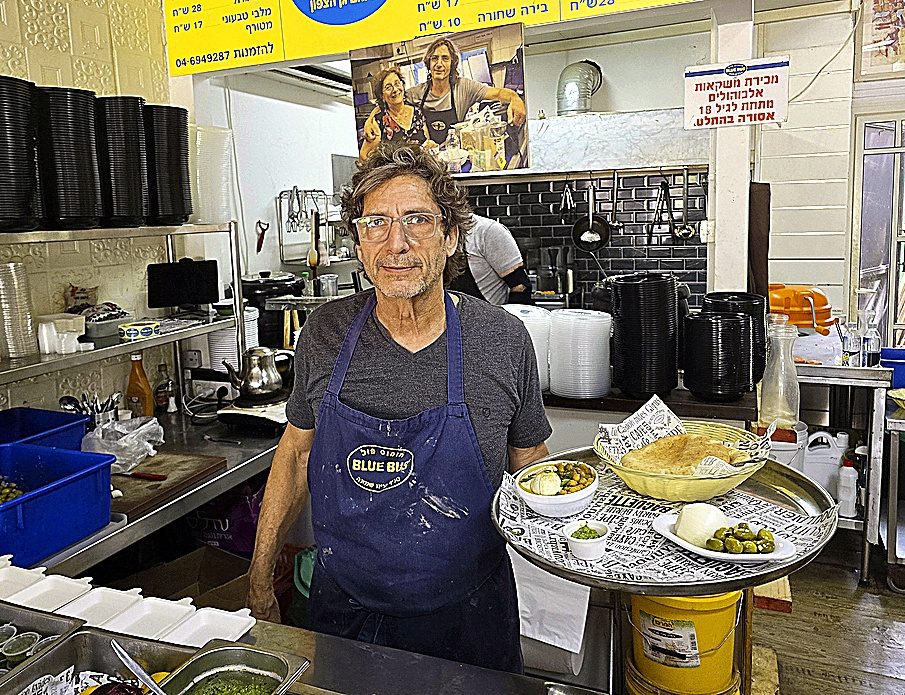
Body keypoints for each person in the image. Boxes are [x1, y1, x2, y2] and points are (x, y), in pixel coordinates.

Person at [247, 142, 551, 674]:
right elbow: (295, 456)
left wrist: (596, 534)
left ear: (452, 236)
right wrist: (259, 575)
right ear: (360, 244)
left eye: (417, 221)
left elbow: (536, 470)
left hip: (469, 621)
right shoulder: (325, 332)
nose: (397, 244)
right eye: (377, 224)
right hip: (345, 618)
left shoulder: (501, 339)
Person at [362, 36, 527, 148]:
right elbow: (391, 102)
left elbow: (498, 94)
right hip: (429, 160)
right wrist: (370, 120)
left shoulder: (464, 88)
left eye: (445, 59)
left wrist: (515, 98)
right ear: (428, 63)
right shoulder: (417, 93)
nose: (439, 64)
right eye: (434, 58)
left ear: (452, 63)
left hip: (456, 156)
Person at [449, 214, 532, 304]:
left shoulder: (488, 231)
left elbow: (520, 286)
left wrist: (507, 317)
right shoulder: (435, 234)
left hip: (490, 314)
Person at [359, 66, 435, 161]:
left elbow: (426, 141)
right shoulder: (378, 121)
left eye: (397, 83)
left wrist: (430, 146)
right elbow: (364, 156)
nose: (395, 89)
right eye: (388, 87)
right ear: (382, 96)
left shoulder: (417, 112)